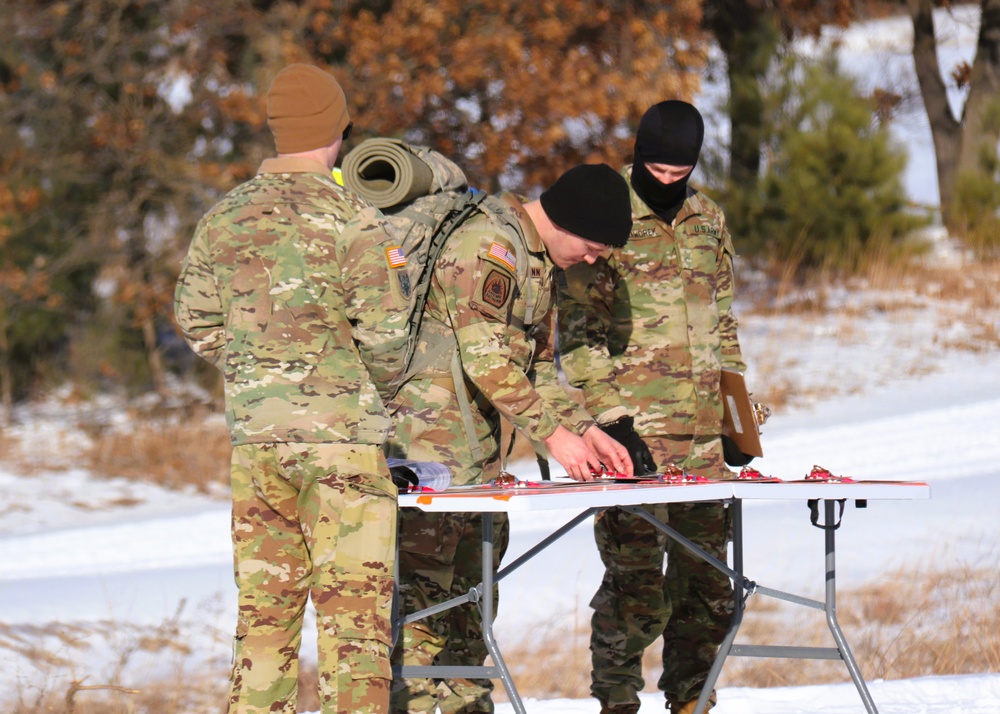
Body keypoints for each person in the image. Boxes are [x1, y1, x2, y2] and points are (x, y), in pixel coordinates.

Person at [174, 63, 411, 714]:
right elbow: (390, 338)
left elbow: (193, 317)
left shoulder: (222, 218)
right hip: (342, 449)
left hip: (258, 447)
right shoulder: (351, 217)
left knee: (265, 624)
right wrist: (361, 393)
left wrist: (257, 372)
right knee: (353, 628)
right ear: (337, 130)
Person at [388, 164, 636, 714]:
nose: (594, 259)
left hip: (478, 457)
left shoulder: (539, 264)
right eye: (594, 246)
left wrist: (585, 431)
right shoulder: (489, 245)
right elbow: (485, 359)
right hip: (430, 452)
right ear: (568, 220)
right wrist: (554, 439)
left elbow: (539, 369)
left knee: (473, 606)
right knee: (423, 616)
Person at [558, 100, 747, 714]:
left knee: (707, 585)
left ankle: (693, 701)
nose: (667, 183)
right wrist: (612, 422)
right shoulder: (607, 216)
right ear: (637, 156)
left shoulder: (708, 219)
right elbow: (580, 343)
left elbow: (723, 322)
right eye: (656, 170)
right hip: (633, 441)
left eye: (679, 173)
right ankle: (617, 702)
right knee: (636, 586)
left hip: (703, 443)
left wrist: (737, 417)